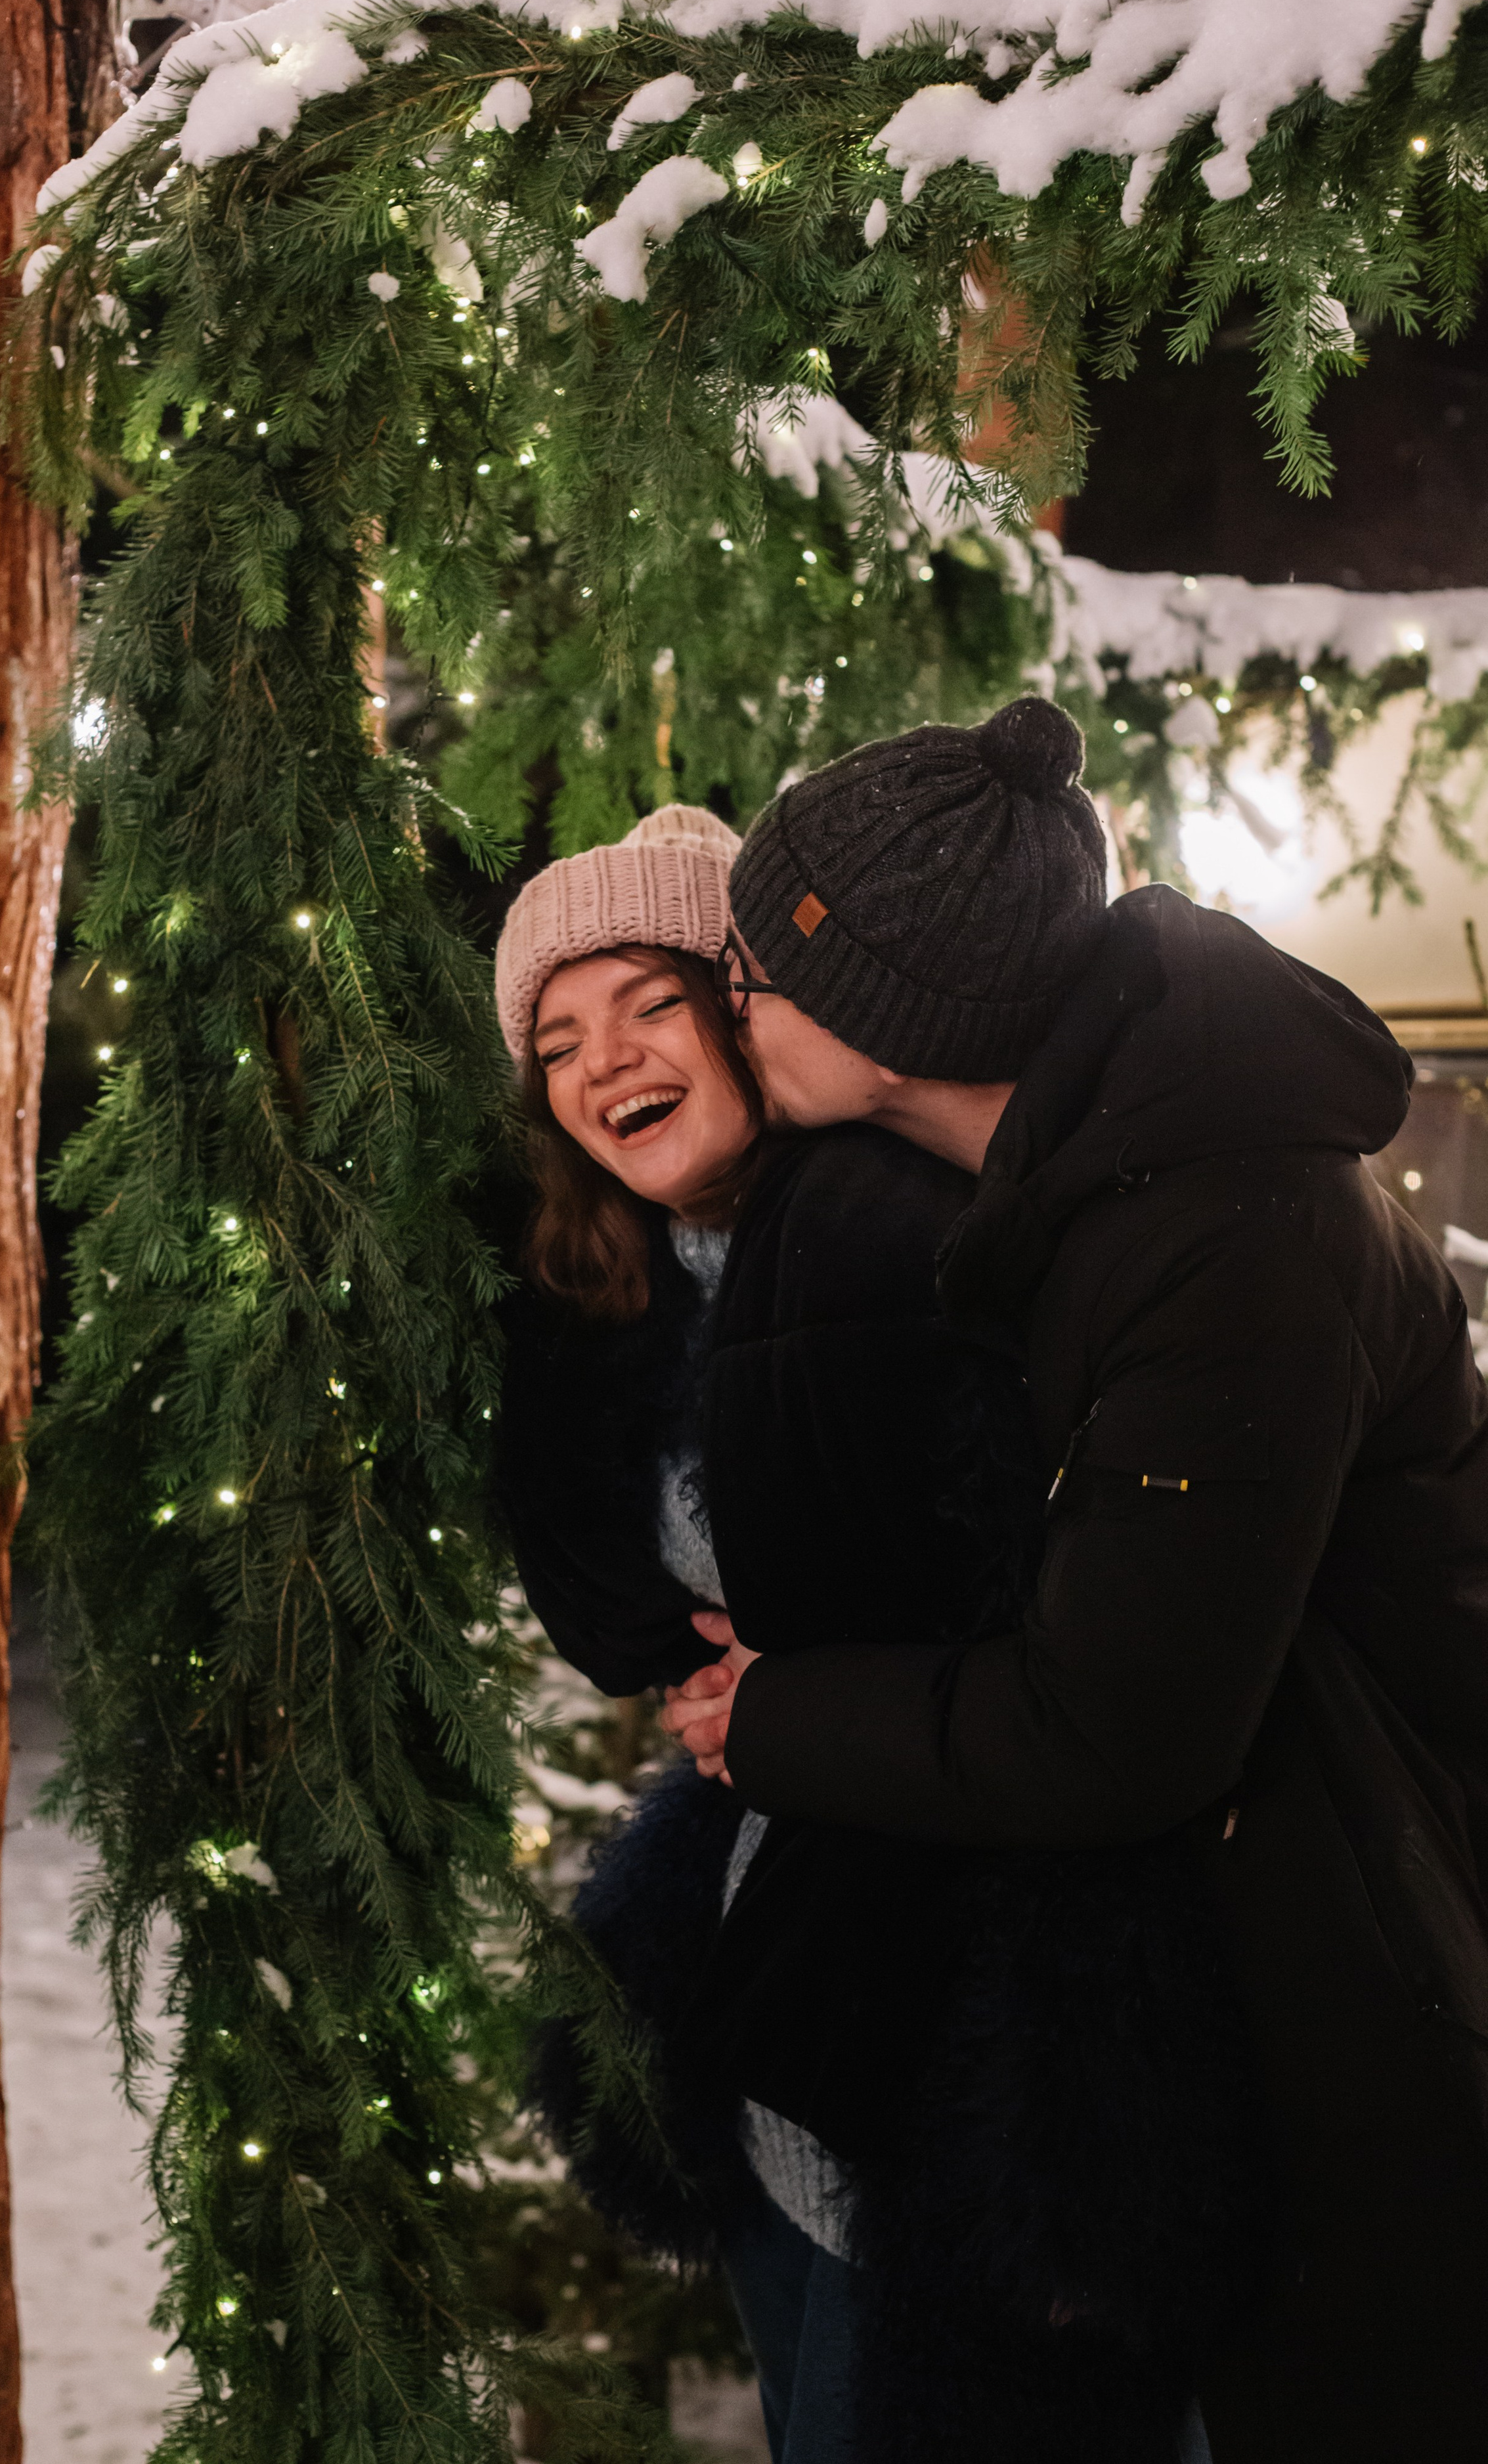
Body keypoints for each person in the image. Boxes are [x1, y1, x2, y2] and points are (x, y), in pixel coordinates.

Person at [663, 692, 1488, 2464]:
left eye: (754, 968)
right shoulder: (1070, 1185)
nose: (728, 999)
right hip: (1242, 1948)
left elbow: (1119, 1728)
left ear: (893, 1007)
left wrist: (779, 1717)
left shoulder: (1231, 1235)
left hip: (1377, 1966)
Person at [493, 801, 1251, 2464]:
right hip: (785, 1994)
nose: (601, 1058)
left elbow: (1054, 1668)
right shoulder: (626, 1290)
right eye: (556, 1037)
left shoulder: (888, 1235)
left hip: (967, 2027)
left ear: (749, 1006)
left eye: (646, 1001)